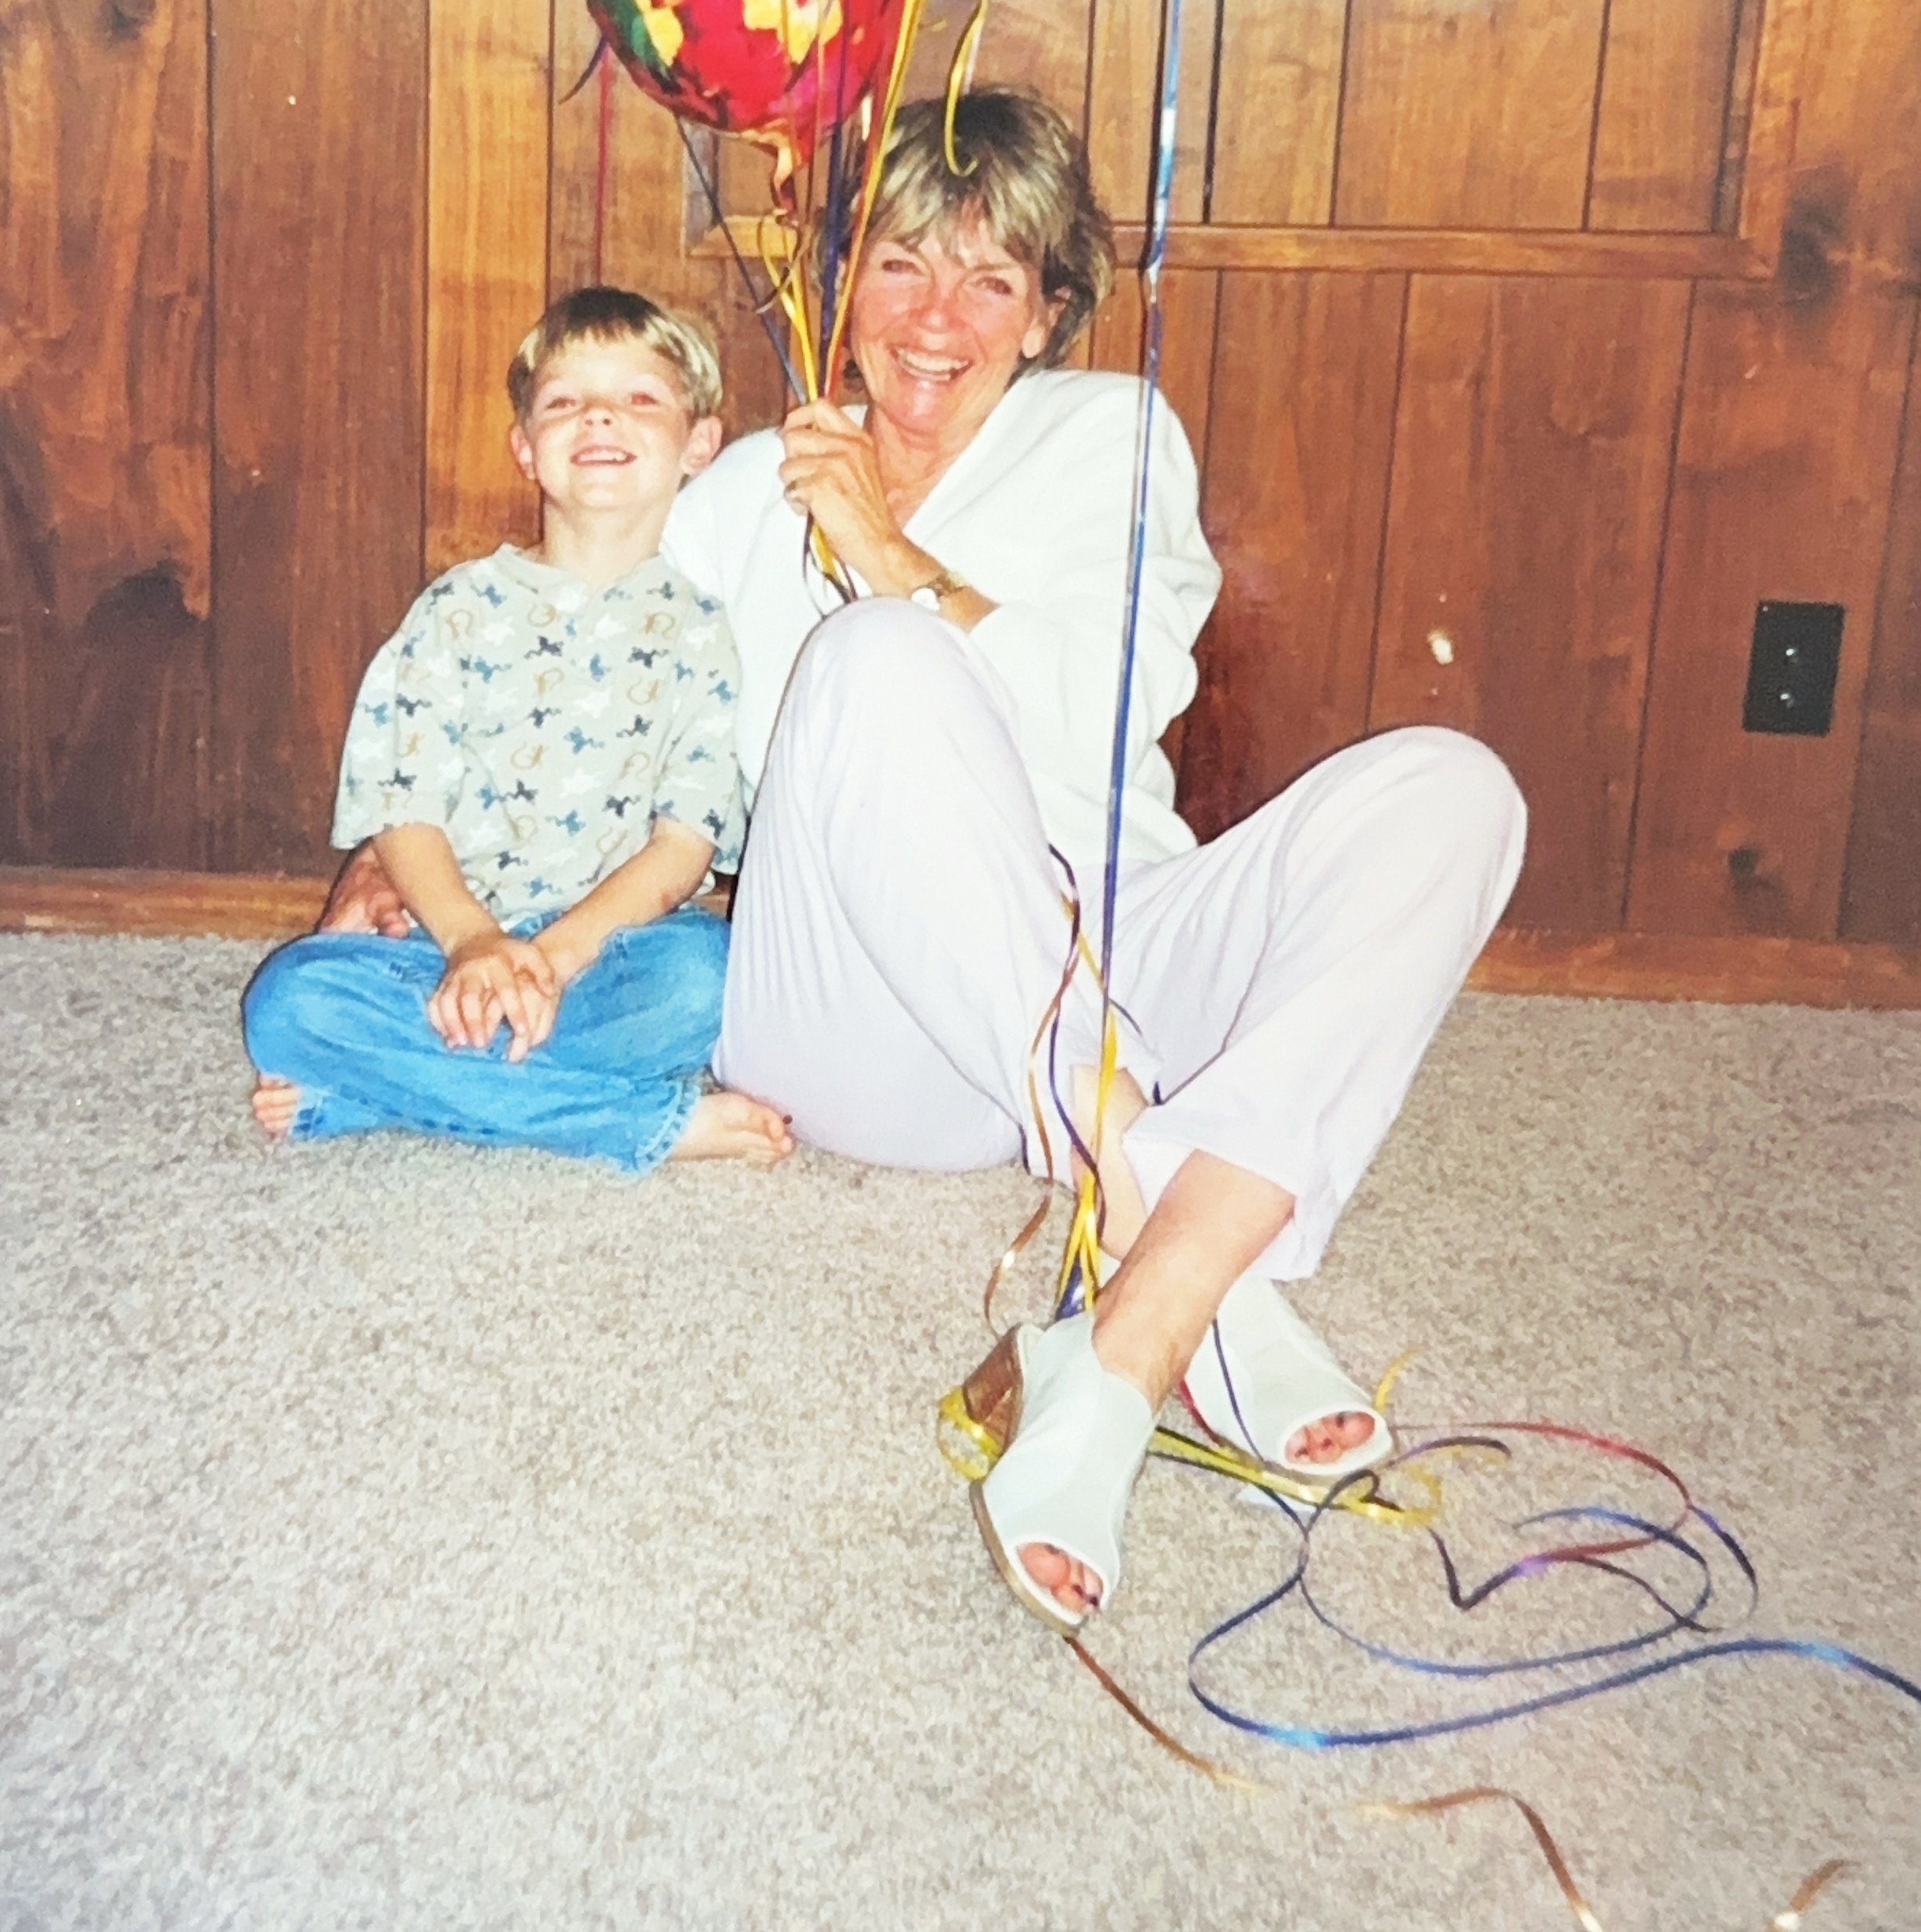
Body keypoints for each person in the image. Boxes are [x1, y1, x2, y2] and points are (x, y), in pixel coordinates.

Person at [328, 92, 1524, 1629]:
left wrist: (891, 560)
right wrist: (398, 865)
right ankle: (1190, 1245)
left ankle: (1120, 1350)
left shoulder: (1108, 441)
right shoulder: (742, 487)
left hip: (1120, 931)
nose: (934, 318)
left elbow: (1090, 726)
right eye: (900, 265)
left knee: (1450, 793)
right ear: (843, 288)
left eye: (990, 279)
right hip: (863, 1017)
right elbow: (566, 682)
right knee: (876, 664)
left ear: (1044, 317)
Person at [243, 287, 790, 1172]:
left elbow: (683, 846)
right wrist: (472, 941)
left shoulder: (702, 632)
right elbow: (404, 804)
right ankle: (627, 1125)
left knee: (712, 978)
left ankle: (383, 1095)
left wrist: (553, 958)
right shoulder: (457, 610)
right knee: (289, 1003)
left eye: (639, 398)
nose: (601, 416)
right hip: (441, 940)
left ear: (698, 444)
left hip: (607, 954)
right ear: (526, 449)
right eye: (566, 401)